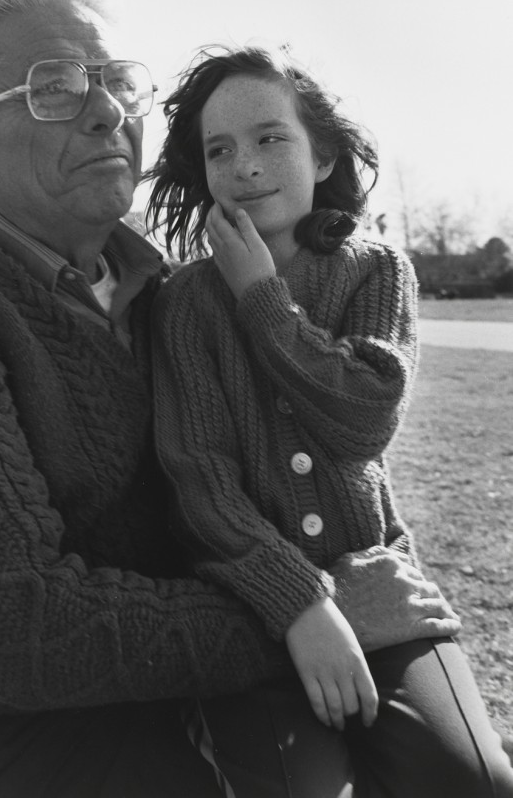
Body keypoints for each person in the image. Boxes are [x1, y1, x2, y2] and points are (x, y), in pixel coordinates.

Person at [0, 0, 469, 798]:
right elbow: (19, 626)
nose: (106, 111)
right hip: (12, 733)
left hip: (186, 679)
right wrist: (311, 610)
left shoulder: (166, 289)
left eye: (117, 79)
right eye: (53, 87)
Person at [146, 44, 513, 797]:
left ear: (323, 156)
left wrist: (262, 300)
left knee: (471, 777)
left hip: (378, 584)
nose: (245, 164)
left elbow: (365, 418)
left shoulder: (377, 269)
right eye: (221, 149)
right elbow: (201, 480)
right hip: (249, 606)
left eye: (270, 137)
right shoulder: (183, 302)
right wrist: (298, 603)